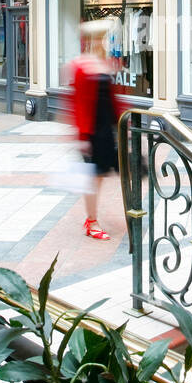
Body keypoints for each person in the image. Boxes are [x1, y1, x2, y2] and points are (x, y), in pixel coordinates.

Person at [69, 19, 123, 240]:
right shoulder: (81, 65)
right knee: (93, 177)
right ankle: (91, 221)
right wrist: (82, 136)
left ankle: (91, 217)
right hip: (92, 131)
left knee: (99, 175)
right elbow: (77, 102)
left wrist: (121, 124)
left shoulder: (104, 63)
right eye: (100, 37)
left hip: (105, 130)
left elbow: (112, 98)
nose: (103, 41)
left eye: (104, 36)